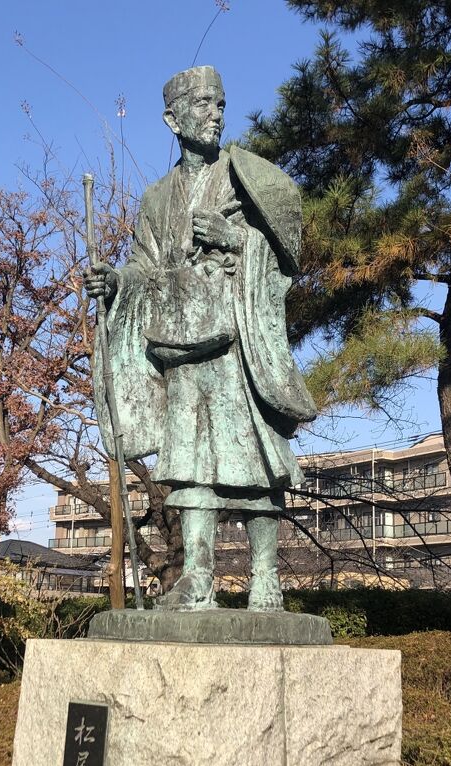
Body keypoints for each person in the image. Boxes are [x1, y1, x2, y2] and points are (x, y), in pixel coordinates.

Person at [84, 66, 316, 611]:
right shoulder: (157, 197)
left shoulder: (243, 176)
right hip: (182, 343)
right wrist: (115, 281)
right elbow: (144, 266)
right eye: (205, 104)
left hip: (237, 341)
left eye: (220, 102)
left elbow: (286, 255)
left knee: (256, 462)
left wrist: (237, 239)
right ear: (174, 119)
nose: (216, 113)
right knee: (191, 462)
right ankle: (199, 577)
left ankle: (266, 579)